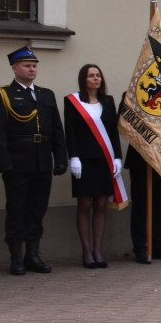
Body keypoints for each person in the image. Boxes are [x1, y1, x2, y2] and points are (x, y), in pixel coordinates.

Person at [0, 46, 67, 275]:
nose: (32, 69)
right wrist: (4, 163)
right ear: (15, 68)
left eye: (34, 66)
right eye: (27, 65)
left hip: (42, 161)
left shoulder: (45, 94)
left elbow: (56, 129)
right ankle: (16, 257)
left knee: (37, 209)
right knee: (17, 209)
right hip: (17, 161)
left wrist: (60, 157)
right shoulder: (1, 94)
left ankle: (33, 254)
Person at [62, 64, 122, 269]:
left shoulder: (108, 101)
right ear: (83, 79)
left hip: (105, 160)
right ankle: (86, 251)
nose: (96, 79)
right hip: (84, 161)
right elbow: (69, 130)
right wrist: (74, 157)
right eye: (91, 76)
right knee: (85, 205)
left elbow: (113, 132)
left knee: (100, 206)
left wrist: (118, 158)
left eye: (98, 75)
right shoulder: (73, 101)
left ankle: (98, 250)